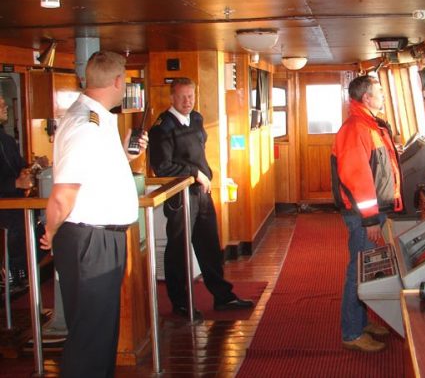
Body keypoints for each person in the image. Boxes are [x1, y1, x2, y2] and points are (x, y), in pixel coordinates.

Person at [39, 51, 148, 378]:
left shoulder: (97, 120)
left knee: (100, 333)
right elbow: (63, 194)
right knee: (90, 336)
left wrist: (127, 157)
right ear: (118, 81)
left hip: (101, 238)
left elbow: (94, 175)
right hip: (89, 240)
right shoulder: (85, 124)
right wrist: (52, 231)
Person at [148, 77, 253, 319]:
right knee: (178, 250)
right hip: (180, 195)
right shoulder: (161, 128)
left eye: (191, 96)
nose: (187, 101)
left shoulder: (196, 119)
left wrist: (204, 175)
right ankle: (180, 302)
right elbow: (162, 167)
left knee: (209, 246)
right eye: (182, 97)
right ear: (172, 98)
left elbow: (200, 150)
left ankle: (223, 297)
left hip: (202, 193)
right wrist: (195, 173)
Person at [331, 75, 403, 352]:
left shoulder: (370, 125)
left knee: (366, 268)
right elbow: (357, 179)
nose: (384, 96)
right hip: (364, 217)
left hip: (374, 212)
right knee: (358, 271)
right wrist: (371, 219)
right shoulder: (355, 128)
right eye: (380, 92)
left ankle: (361, 322)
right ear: (366, 99)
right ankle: (351, 333)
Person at [0, 96, 34, 289]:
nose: (5, 107)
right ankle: (9, 270)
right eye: (1, 104)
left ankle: (20, 269)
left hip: (18, 208)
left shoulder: (7, 140)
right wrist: (15, 183)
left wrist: (32, 169)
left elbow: (19, 168)